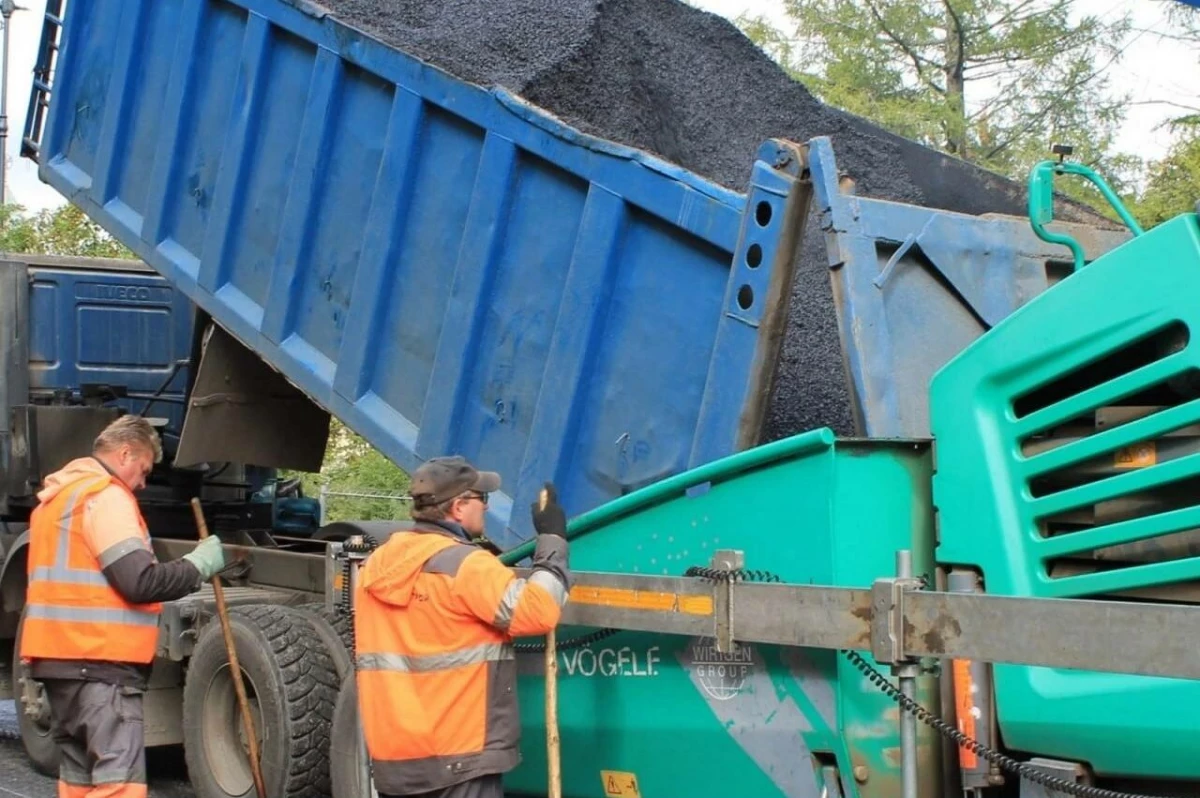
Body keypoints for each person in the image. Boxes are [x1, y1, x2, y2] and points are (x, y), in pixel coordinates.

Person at [19, 414, 227, 798]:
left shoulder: (57, 500)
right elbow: (139, 581)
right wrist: (197, 565)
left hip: (59, 664)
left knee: (79, 780)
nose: (143, 483)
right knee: (120, 787)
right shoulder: (106, 497)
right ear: (126, 452)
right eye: (144, 470)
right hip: (99, 665)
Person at [354, 456, 571, 798]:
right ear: (458, 507)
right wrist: (552, 540)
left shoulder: (376, 566)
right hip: (459, 759)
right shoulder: (466, 566)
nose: (486, 507)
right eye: (481, 499)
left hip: (397, 761)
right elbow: (538, 612)